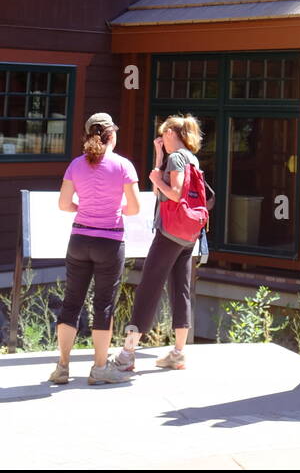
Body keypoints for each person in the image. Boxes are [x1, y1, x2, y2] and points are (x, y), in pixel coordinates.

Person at [51, 113, 140, 385]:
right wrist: (113, 209)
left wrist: (85, 208)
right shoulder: (124, 165)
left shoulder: (75, 165)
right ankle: (100, 368)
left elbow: (64, 204)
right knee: (103, 305)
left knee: (71, 303)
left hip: (79, 240)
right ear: (111, 134)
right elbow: (134, 208)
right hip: (110, 242)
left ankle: (62, 367)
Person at [115, 114, 203, 372]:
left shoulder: (177, 158)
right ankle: (177, 353)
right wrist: (157, 159)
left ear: (171, 134)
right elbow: (160, 190)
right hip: (188, 233)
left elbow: (173, 194)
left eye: (163, 135)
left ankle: (127, 353)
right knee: (181, 288)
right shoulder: (191, 158)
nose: (161, 139)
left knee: (149, 286)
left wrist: (155, 177)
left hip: (169, 232)